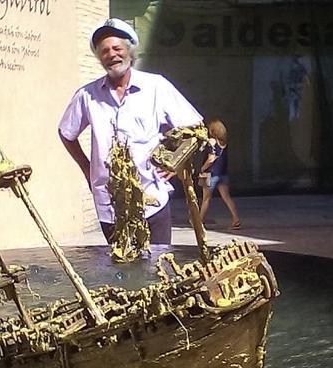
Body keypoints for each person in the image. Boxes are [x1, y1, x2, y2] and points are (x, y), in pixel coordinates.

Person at [58, 18, 203, 244]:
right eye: (104, 51)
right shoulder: (87, 96)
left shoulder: (156, 87)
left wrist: (177, 161)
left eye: (117, 48)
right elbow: (66, 133)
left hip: (152, 200)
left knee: (159, 268)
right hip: (109, 205)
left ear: (129, 51)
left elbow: (194, 128)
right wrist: (88, 169)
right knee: (121, 271)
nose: (111, 54)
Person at [198, 119, 241, 230]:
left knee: (205, 198)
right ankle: (236, 219)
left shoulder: (211, 142)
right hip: (223, 173)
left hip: (209, 173)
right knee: (226, 197)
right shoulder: (224, 143)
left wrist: (202, 168)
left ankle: (199, 221)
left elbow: (211, 158)